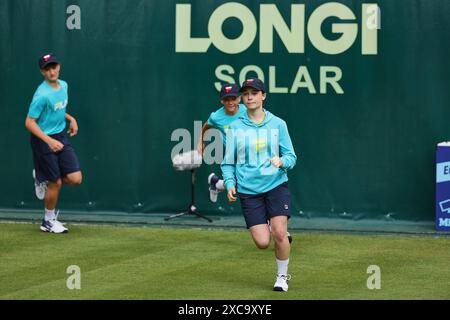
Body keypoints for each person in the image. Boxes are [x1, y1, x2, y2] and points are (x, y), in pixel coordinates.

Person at [221, 78, 297, 292]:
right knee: (263, 242)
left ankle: (282, 277)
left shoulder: (278, 124)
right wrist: (229, 183)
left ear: (263, 96)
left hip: (276, 185)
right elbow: (228, 162)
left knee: (280, 233)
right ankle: (271, 225)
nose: (250, 97)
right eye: (246, 94)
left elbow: (291, 156)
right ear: (242, 99)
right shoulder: (234, 127)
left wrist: (282, 162)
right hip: (248, 190)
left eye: (254, 93)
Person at [25, 53, 82, 234]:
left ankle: (41, 177)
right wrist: (49, 141)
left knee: (75, 179)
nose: (52, 71)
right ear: (42, 72)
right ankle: (48, 221)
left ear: (59, 67)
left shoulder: (64, 85)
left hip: (60, 137)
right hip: (43, 140)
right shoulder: (41, 95)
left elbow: (58, 109)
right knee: (55, 182)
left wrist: (71, 118)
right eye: (47, 69)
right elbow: (29, 122)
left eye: (54, 67)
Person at [197, 83, 246, 203]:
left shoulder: (247, 110)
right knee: (243, 181)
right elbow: (206, 126)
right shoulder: (216, 117)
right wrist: (200, 142)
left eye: (233, 99)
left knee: (244, 181)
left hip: (250, 152)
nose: (230, 102)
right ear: (221, 101)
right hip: (232, 154)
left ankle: (216, 183)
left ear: (239, 98)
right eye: (226, 99)